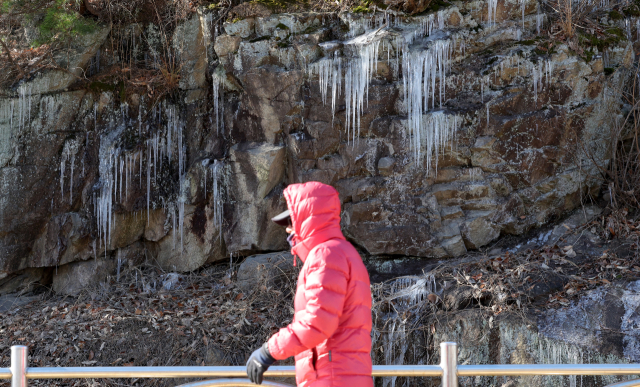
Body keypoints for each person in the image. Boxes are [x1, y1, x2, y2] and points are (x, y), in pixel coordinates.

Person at [246, 181, 373, 387]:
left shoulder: (326, 256)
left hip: (331, 378)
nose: (287, 230)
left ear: (306, 220)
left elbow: (318, 322)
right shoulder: (344, 252)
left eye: (291, 220)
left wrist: (268, 350)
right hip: (343, 376)